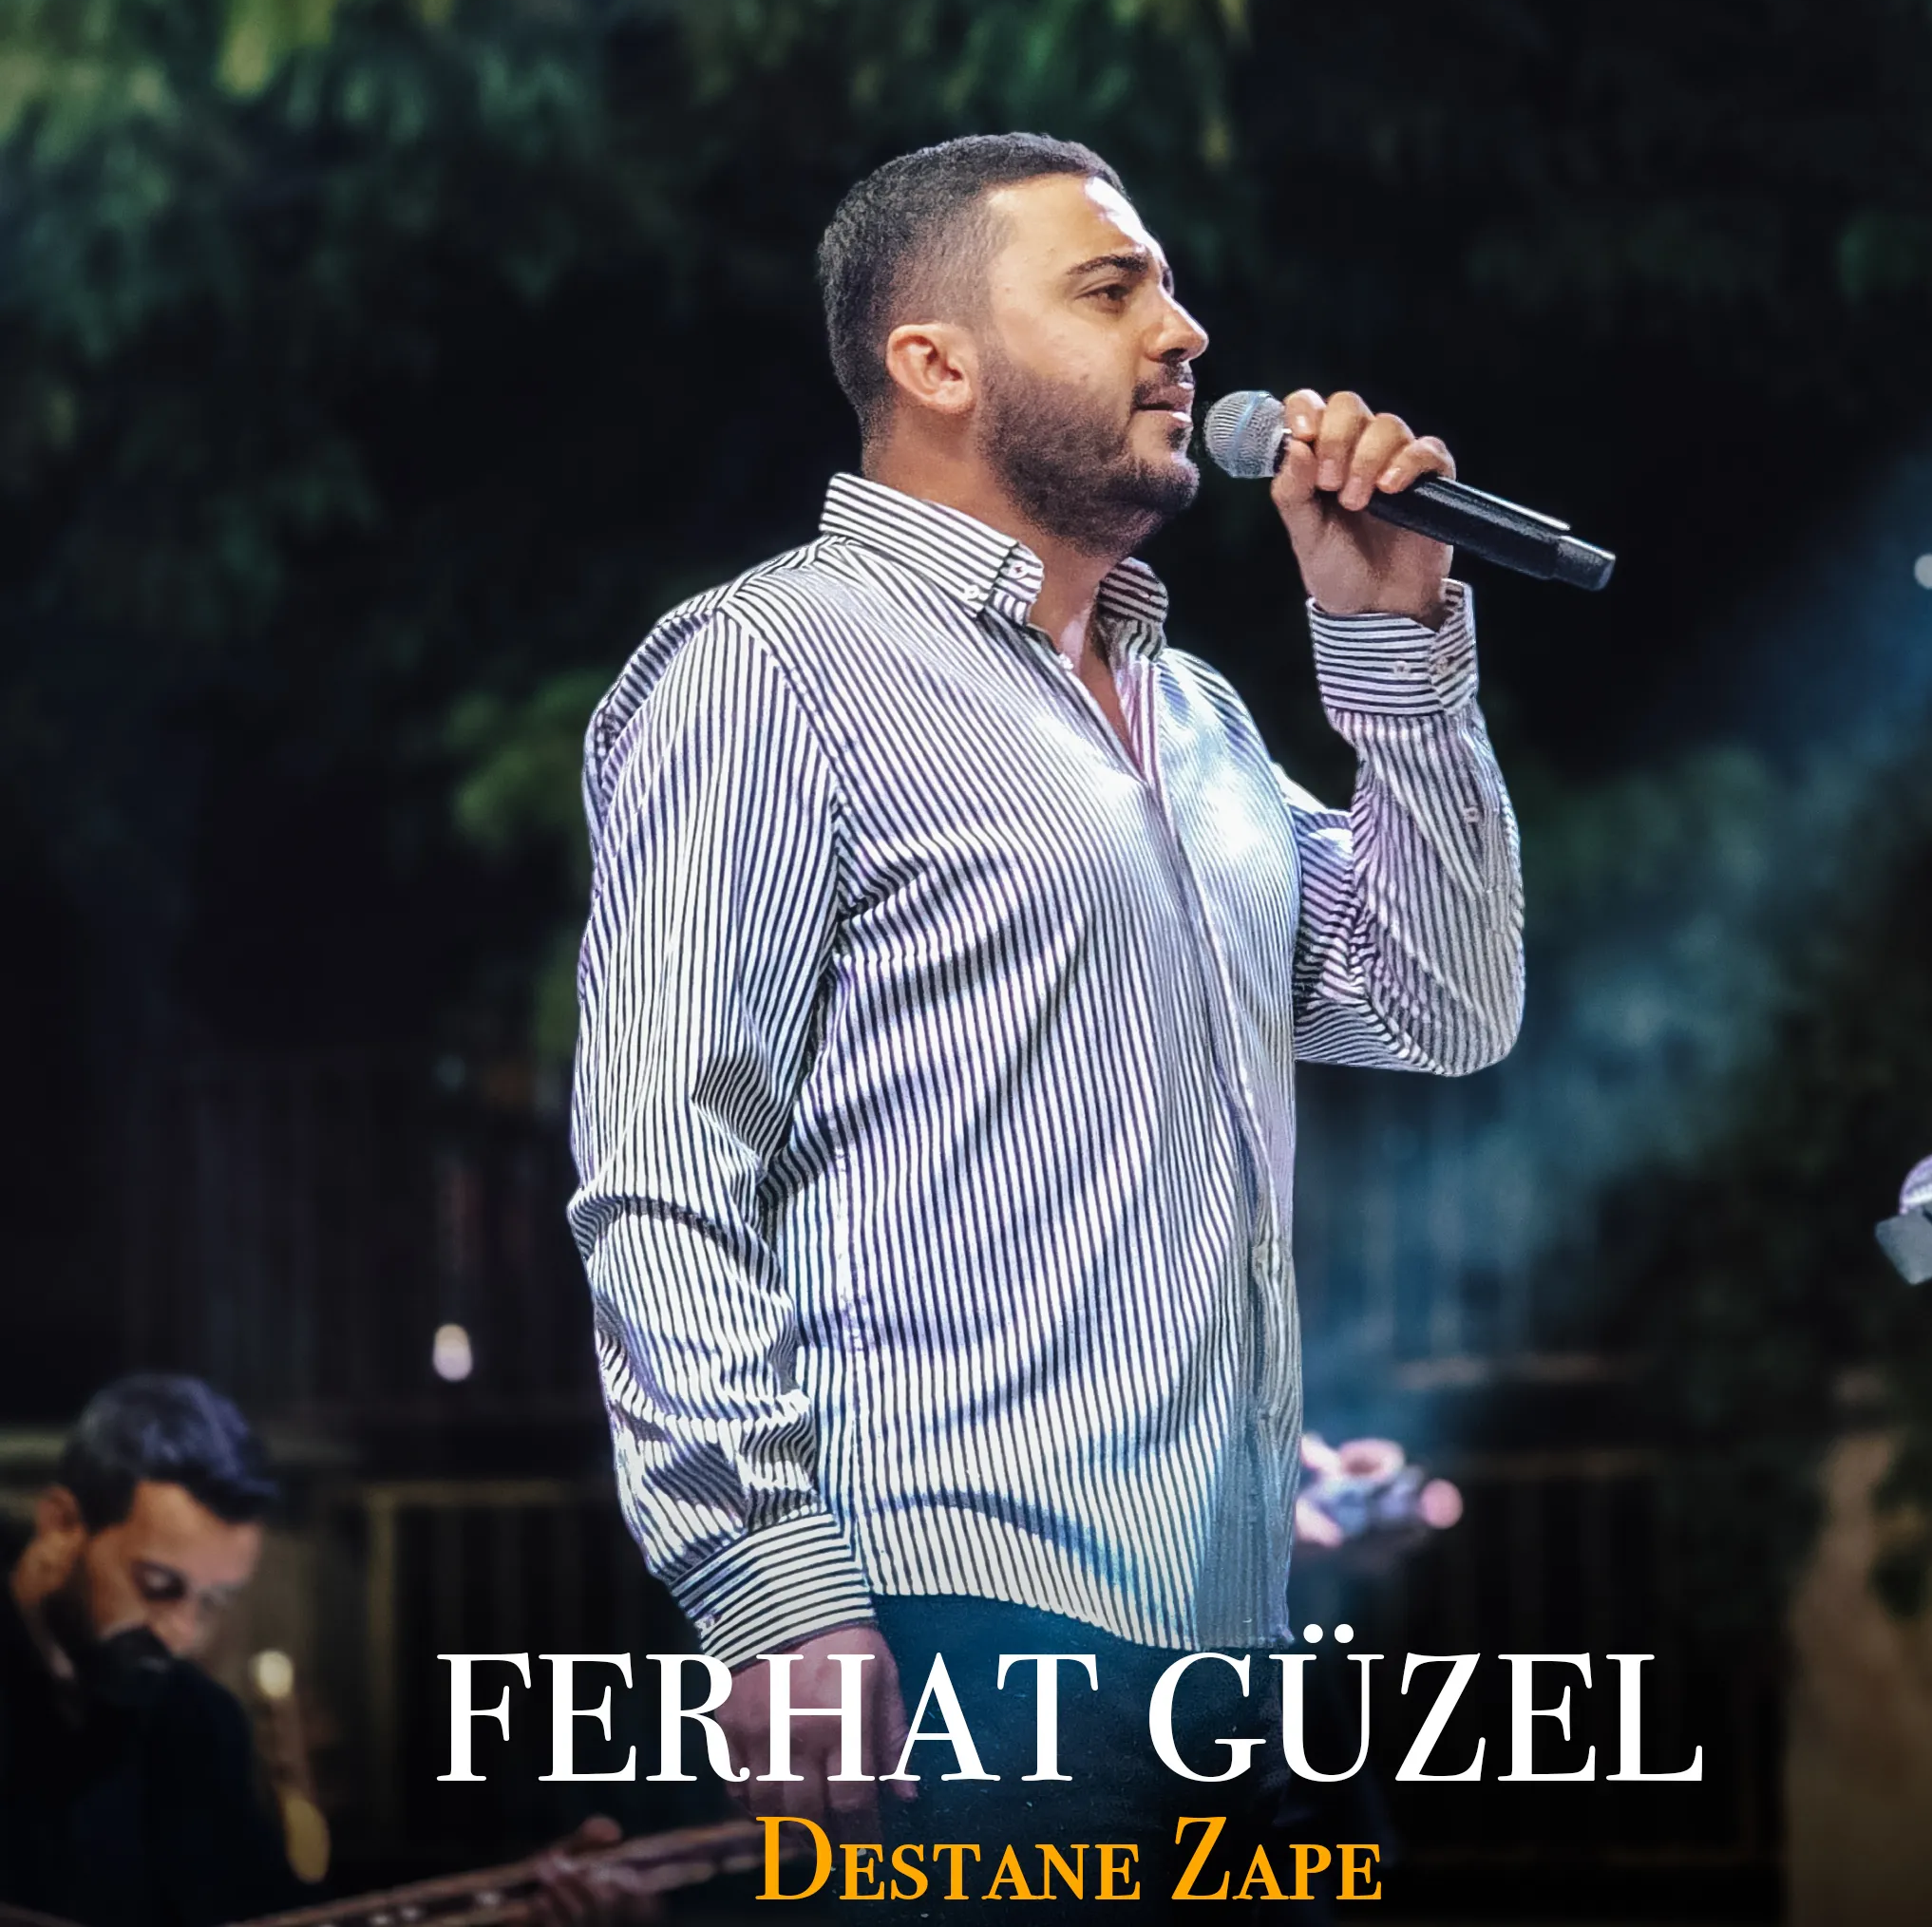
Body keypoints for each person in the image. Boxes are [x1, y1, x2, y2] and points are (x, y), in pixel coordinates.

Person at [568, 132, 1526, 1892]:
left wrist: (1396, 651)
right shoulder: (770, 667)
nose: (1186, 329)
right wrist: (767, 1589)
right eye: (1110, 289)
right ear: (935, 363)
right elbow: (662, 1165)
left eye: (1169, 286)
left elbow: (1440, 1005)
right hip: (951, 1625)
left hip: (1237, 1647)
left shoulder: (1199, 720)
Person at [1, 1375, 655, 1927]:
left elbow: (276, 1912)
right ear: (61, 1524)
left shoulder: (194, 1720)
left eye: (214, 1602)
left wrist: (516, 1906)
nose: (182, 1634)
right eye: (158, 1587)